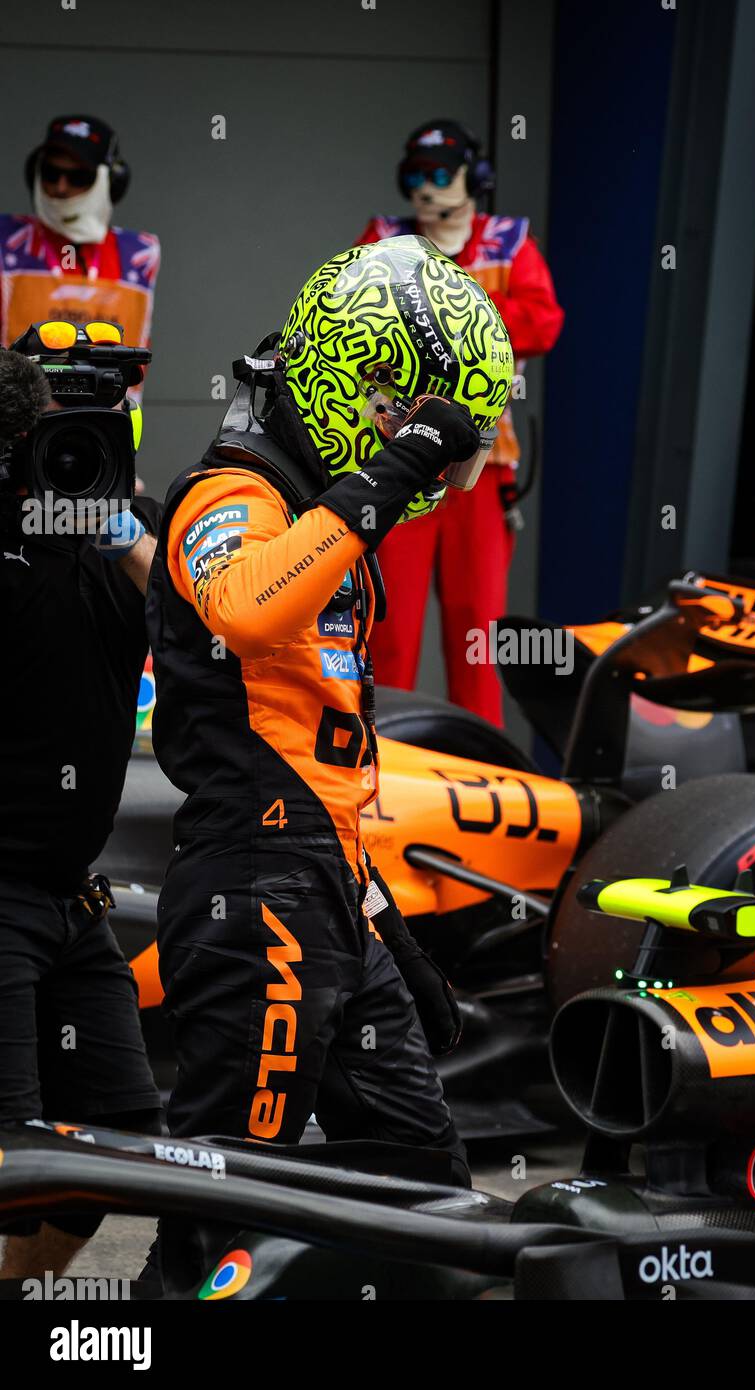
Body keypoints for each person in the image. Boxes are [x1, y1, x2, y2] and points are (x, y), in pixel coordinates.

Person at [147, 234, 513, 1289]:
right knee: (222, 1205)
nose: (440, 463)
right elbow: (250, 607)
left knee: (424, 1197)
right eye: (421, 425)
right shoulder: (229, 497)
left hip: (327, 893)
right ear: (360, 385)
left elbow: (326, 766)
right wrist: (394, 471)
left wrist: (382, 927)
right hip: (248, 889)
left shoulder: (323, 519)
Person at [0, 344, 161, 1283]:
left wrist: (115, 526)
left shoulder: (127, 527)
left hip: (72, 898)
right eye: (44, 428)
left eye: (86, 423)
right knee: (16, 1152)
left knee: (117, 1141)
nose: (63, 445)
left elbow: (215, 631)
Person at [356, 119, 563, 725]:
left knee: (478, 635)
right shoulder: (384, 235)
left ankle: (485, 776)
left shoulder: (508, 242)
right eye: (415, 175)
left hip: (483, 463)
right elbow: (356, 314)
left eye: (440, 174)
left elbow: (543, 322)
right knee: (387, 630)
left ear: (475, 177)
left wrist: (446, 304)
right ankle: (379, 756)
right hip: (400, 457)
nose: (426, 187)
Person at [0, 115, 160, 392]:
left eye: (78, 177)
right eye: (51, 173)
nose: (60, 188)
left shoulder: (141, 253)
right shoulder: (6, 240)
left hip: (110, 417)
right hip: (19, 421)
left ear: (111, 181)